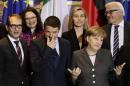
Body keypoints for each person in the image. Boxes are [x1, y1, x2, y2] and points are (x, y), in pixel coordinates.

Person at [30, 16, 71, 86]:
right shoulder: (35, 43)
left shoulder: (66, 44)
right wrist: (49, 49)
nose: (51, 35)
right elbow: (35, 67)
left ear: (59, 30)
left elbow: (67, 67)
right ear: (44, 30)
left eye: (54, 32)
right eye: (48, 32)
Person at [0, 14, 31, 86]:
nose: (16, 29)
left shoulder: (24, 43)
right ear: (7, 27)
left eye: (19, 26)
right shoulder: (1, 45)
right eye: (13, 26)